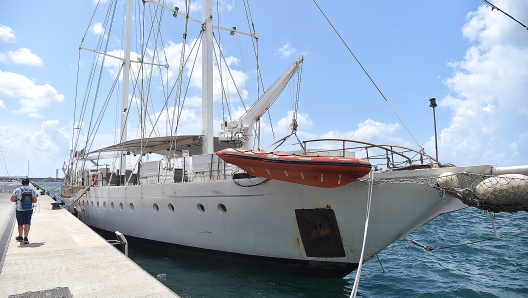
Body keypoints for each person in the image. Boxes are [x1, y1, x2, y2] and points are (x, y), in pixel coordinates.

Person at [11, 178, 37, 244]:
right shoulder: (32, 190)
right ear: (28, 183)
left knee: (20, 223)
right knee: (27, 223)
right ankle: (26, 237)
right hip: (28, 209)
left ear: (21, 183)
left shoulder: (17, 190)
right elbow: (34, 201)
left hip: (19, 210)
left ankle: (20, 236)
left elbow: (12, 199)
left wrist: (18, 200)